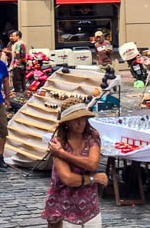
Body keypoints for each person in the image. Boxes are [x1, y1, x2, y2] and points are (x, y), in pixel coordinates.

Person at [42, 98, 108, 228]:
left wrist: (63, 154)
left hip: (90, 206)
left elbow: (92, 164)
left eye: (83, 118)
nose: (80, 123)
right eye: (75, 119)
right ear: (67, 122)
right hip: (63, 206)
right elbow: (68, 179)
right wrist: (94, 178)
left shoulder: (91, 136)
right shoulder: (58, 142)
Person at [8, 30, 28, 94]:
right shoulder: (22, 43)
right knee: (22, 79)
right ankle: (22, 91)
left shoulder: (18, 44)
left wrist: (16, 63)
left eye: (13, 36)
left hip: (17, 65)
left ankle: (19, 92)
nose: (12, 37)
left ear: (18, 36)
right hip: (21, 64)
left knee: (17, 79)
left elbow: (18, 54)